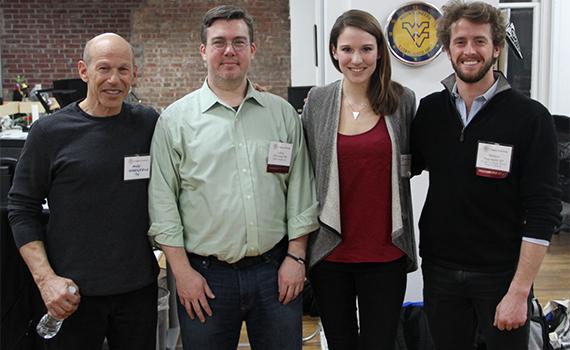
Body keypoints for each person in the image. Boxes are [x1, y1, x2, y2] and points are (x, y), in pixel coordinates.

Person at [147, 5, 319, 350]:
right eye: (219, 42)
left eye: (239, 42)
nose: (229, 50)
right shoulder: (175, 121)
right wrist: (182, 273)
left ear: (252, 50)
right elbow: (162, 203)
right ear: (203, 51)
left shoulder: (282, 114)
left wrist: (296, 258)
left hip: (276, 273)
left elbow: (300, 190)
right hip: (205, 278)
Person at [410, 1, 561, 349]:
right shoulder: (431, 111)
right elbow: (398, 164)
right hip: (440, 270)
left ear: (496, 48)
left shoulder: (531, 117)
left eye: (479, 41)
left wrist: (519, 291)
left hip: (502, 276)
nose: (469, 51)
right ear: (448, 49)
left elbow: (544, 209)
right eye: (460, 42)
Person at [8, 33, 159, 349]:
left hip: (137, 292)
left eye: (123, 70)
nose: (114, 80)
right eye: (104, 68)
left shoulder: (148, 124)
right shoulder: (49, 132)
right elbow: (22, 209)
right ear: (83, 70)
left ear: (134, 73)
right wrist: (46, 280)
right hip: (70, 294)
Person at [302, 9, 418, 350]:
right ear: (334, 52)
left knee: (380, 343)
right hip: (330, 251)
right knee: (340, 343)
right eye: (348, 49)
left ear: (379, 52)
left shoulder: (402, 100)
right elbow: (307, 171)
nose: (357, 59)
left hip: (385, 252)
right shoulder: (318, 103)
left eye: (366, 49)